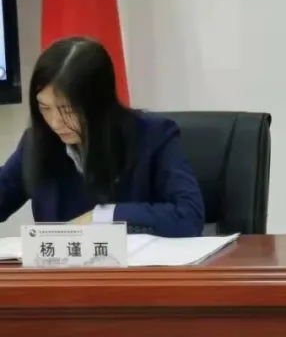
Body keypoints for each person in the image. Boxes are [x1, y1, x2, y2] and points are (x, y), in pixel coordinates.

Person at [0, 36, 204, 237]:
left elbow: (188, 216)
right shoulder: (36, 143)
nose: (55, 122)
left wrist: (102, 217)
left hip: (138, 259)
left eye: (67, 110)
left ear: (99, 103)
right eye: (45, 108)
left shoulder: (153, 136)